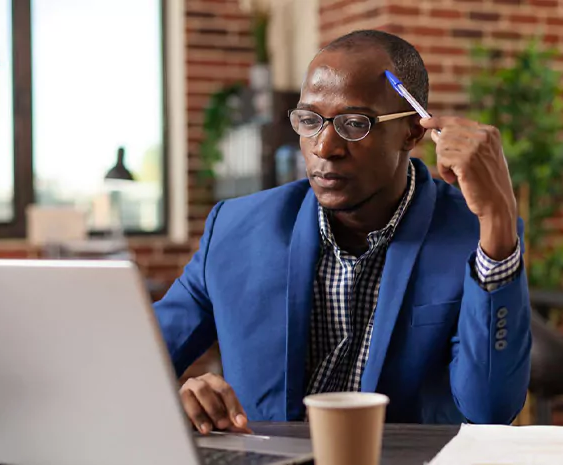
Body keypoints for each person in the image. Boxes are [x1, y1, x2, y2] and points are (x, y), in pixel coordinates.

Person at [153, 29, 532, 433]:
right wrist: (183, 398)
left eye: (355, 123)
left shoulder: (472, 235)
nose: (324, 146)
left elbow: (490, 410)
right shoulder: (236, 229)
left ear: (413, 131)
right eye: (310, 120)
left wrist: (497, 221)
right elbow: (132, 364)